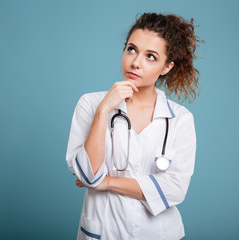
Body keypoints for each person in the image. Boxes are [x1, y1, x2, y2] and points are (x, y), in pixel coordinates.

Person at [66, 12, 202, 240]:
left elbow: (175, 189)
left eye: (151, 56)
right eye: (131, 49)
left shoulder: (180, 119)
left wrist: (107, 182)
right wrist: (103, 110)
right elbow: (89, 176)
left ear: (166, 67)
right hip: (103, 231)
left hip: (159, 233)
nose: (136, 62)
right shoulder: (90, 104)